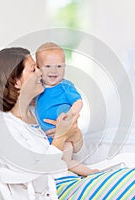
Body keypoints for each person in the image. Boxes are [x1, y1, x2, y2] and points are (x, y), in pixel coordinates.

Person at [0, 47, 135, 199]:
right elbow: (38, 173)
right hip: (58, 192)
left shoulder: (33, 115)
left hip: (71, 181)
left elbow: (66, 156)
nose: (40, 73)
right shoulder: (6, 126)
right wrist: (61, 136)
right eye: (33, 69)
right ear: (16, 82)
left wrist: (72, 135)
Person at [35, 42, 98, 177]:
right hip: (47, 140)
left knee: (65, 162)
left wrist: (70, 115)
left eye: (59, 66)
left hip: (65, 136)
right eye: (48, 66)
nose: (54, 70)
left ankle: (92, 174)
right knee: (55, 164)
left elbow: (78, 102)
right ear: (38, 68)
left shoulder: (65, 86)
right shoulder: (38, 87)